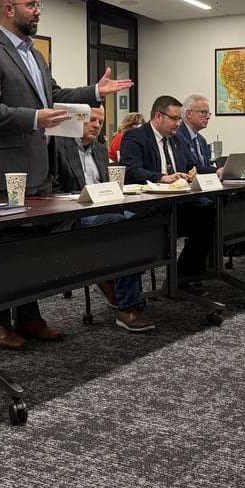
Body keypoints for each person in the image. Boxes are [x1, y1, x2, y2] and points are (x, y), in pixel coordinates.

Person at [0, 0, 133, 349]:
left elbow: (54, 96)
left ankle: (28, 318)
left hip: (40, 169)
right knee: (5, 251)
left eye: (39, 5)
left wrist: (94, 92)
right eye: (31, 5)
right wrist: (34, 118)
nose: (38, 12)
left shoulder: (36, 55)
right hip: (8, 173)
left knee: (31, 250)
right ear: (8, 9)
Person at [54, 106, 152, 332]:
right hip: (77, 213)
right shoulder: (58, 148)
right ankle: (128, 307)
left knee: (145, 220)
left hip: (106, 207)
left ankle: (113, 280)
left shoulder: (99, 149)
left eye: (100, 121)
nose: (96, 125)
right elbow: (53, 190)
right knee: (124, 226)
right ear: (76, 120)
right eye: (91, 120)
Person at [120, 94, 215, 279]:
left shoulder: (177, 139)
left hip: (177, 203)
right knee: (201, 217)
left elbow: (192, 166)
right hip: (150, 203)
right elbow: (131, 171)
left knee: (210, 213)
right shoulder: (135, 137)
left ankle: (183, 275)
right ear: (158, 116)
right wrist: (162, 178)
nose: (178, 124)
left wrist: (216, 171)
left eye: (179, 119)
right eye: (174, 119)